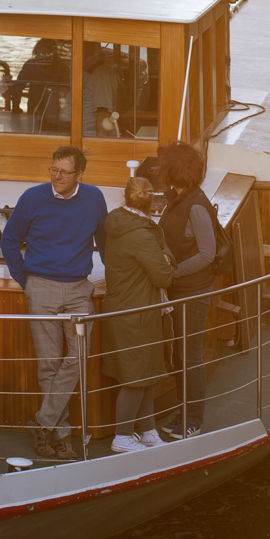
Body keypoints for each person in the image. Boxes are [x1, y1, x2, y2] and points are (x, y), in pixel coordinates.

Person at [0, 146, 107, 459]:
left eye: (64, 172)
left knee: (79, 357)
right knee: (48, 365)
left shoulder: (94, 198)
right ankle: (60, 437)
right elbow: (9, 240)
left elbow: (105, 240)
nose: (56, 177)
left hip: (78, 289)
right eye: (53, 170)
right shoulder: (32, 198)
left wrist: (112, 277)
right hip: (41, 287)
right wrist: (26, 282)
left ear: (79, 175)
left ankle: (42, 421)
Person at [101, 177, 174, 453]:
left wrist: (162, 253)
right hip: (136, 314)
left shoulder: (119, 224)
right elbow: (164, 276)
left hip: (128, 310)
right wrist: (166, 256)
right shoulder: (143, 234)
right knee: (136, 378)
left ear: (125, 198)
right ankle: (122, 436)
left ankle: (147, 430)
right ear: (152, 201)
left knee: (146, 375)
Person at [157, 141, 222, 438]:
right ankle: (185, 411)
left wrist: (172, 274)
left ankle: (193, 420)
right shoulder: (179, 198)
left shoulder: (195, 205)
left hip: (191, 292)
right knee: (180, 356)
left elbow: (207, 254)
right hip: (179, 288)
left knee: (190, 356)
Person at [83, 43, 120, 136]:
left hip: (90, 134)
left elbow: (104, 115)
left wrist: (100, 146)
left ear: (95, 51)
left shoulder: (102, 74)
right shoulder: (88, 73)